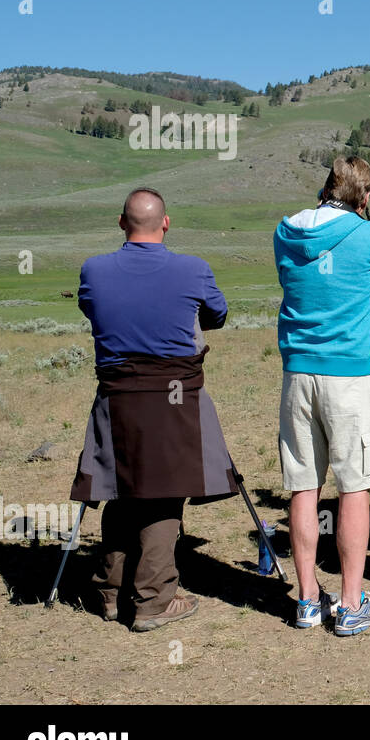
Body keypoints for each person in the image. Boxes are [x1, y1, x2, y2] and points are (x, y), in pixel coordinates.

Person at [73, 188, 238, 631]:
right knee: (165, 491)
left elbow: (93, 309)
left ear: (121, 222)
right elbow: (217, 316)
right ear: (166, 224)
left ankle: (110, 592)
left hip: (117, 398)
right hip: (175, 397)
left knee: (118, 485)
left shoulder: (94, 270)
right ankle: (153, 599)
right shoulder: (194, 268)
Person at [274, 156, 370, 636]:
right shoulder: (369, 233)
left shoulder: (285, 232)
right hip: (348, 375)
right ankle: (350, 604)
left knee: (304, 485)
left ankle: (307, 600)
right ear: (364, 197)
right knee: (354, 487)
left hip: (298, 372)